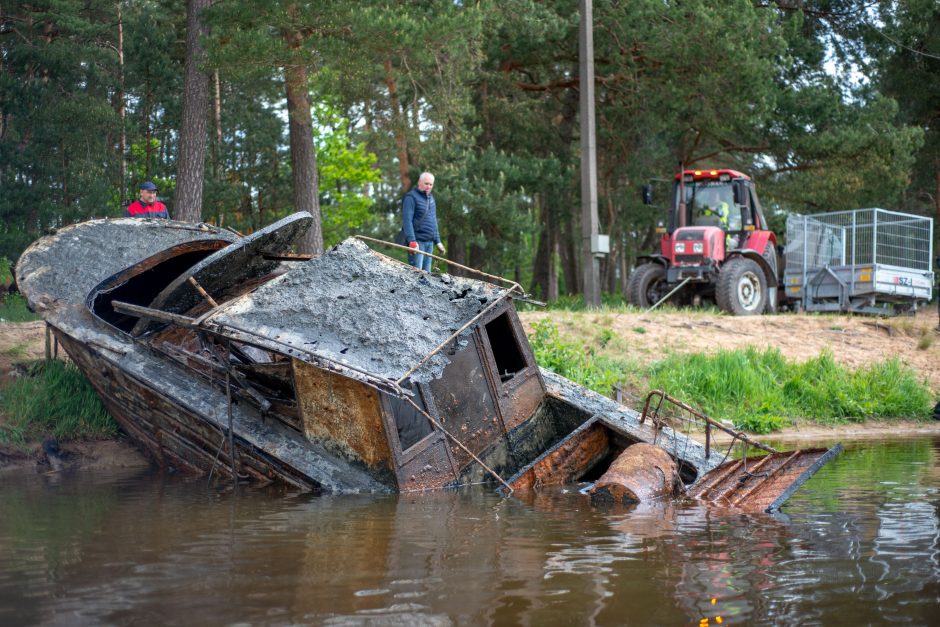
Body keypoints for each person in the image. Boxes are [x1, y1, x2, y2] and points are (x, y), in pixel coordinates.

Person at [401, 172, 445, 272]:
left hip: (429, 243)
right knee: (416, 274)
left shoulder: (431, 199)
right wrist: (412, 241)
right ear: (419, 182)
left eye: (431, 184)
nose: (428, 186)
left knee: (426, 277)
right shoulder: (410, 197)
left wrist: (437, 241)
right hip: (417, 242)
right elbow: (407, 221)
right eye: (426, 183)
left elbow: (434, 221)